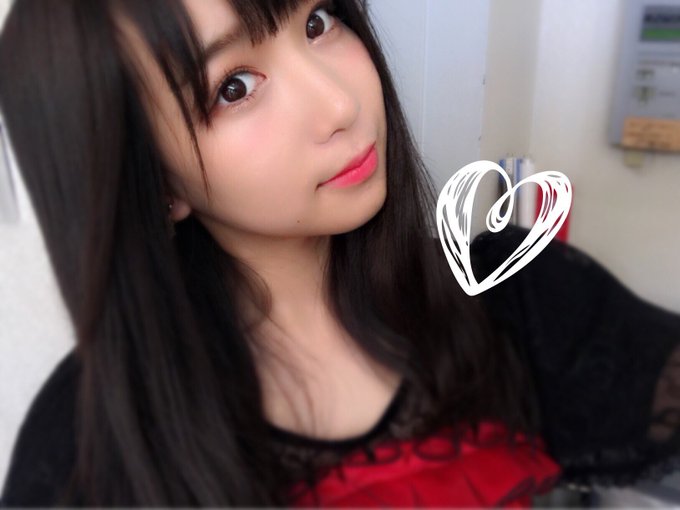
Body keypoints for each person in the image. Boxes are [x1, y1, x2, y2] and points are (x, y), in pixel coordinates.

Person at [0, 0, 678, 507]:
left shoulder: (513, 299)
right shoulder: (86, 449)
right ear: (153, 180)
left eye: (319, 21)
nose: (339, 103)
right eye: (234, 87)